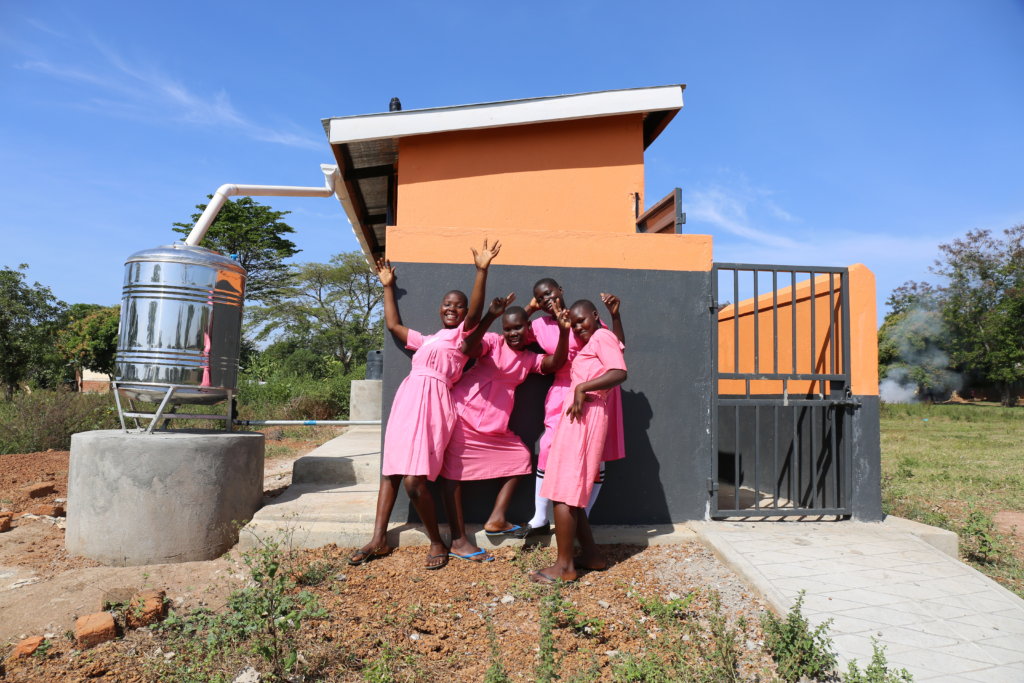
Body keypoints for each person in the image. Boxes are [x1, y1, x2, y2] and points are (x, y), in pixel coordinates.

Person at [348, 240, 501, 570]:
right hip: (408, 399)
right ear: (439, 308)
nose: (452, 308)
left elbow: (476, 313)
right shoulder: (428, 340)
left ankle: (436, 541)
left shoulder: (463, 338)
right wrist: (387, 286)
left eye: (457, 306)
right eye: (447, 304)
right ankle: (378, 539)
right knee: (392, 470)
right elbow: (393, 326)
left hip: (434, 403)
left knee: (415, 481)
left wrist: (481, 270)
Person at [439, 294, 570, 562]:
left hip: (495, 424)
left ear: (528, 329)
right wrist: (491, 317)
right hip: (464, 413)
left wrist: (565, 333)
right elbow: (468, 347)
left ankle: (497, 519)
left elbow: (554, 363)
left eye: (518, 328)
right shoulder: (492, 343)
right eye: (508, 328)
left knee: (521, 458)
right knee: (453, 475)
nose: (512, 333)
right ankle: (458, 538)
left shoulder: (529, 359)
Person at [517, 278, 625, 538]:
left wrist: (615, 316)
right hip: (563, 389)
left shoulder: (581, 314)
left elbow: (615, 347)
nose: (547, 299)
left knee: (596, 455)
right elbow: (515, 330)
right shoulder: (541, 325)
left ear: (561, 290)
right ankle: (540, 517)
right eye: (540, 297)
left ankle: (582, 518)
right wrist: (530, 309)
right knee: (548, 447)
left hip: (597, 389)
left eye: (549, 293)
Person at [530, 299, 627, 584]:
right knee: (567, 490)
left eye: (582, 320)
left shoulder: (602, 336)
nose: (578, 326)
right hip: (580, 418)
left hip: (588, 419)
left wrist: (583, 387)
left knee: (564, 492)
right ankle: (592, 556)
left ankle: (564, 567)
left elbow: (620, 372)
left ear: (596, 316)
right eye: (574, 324)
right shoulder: (594, 342)